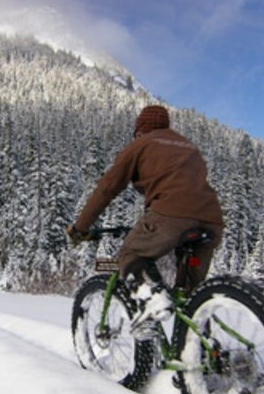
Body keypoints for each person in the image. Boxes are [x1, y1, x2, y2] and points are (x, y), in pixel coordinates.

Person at [67, 105, 224, 338]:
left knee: (127, 260)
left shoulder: (140, 144)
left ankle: (152, 302)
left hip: (170, 216)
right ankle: (204, 357)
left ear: (140, 129)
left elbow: (107, 188)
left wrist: (80, 228)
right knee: (193, 296)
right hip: (212, 220)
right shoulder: (189, 146)